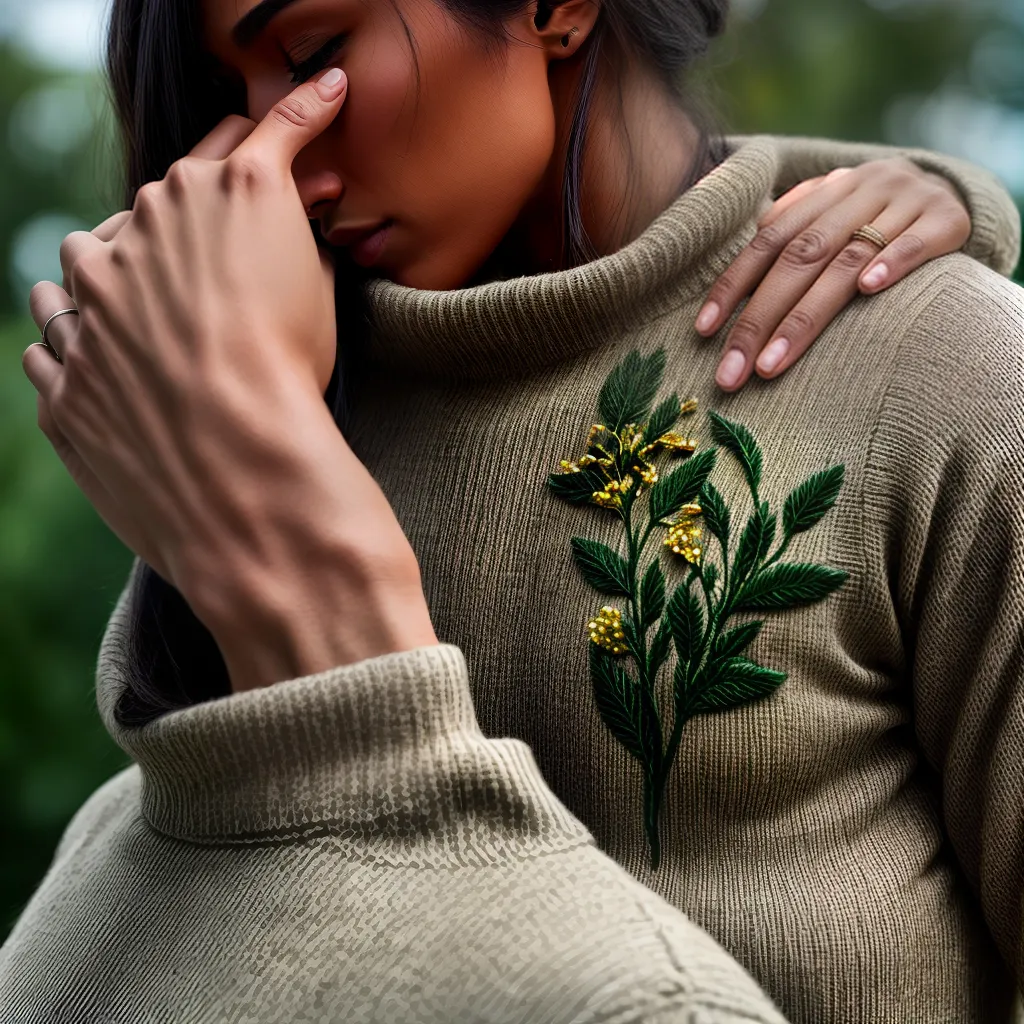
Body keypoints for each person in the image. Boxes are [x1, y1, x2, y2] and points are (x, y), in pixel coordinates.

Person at [2, 0, 1022, 1020]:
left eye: (312, 57)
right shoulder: (287, 409)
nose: (278, 166)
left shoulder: (942, 381)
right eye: (227, 105)